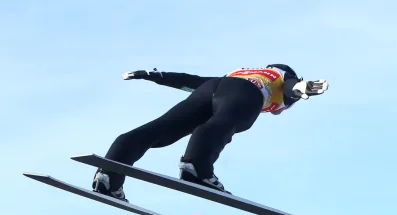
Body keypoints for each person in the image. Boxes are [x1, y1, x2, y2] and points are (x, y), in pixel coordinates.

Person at [92, 65, 328, 201]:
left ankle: (109, 173)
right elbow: (290, 86)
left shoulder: (242, 72)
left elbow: (190, 81)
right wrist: (300, 87)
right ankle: (197, 168)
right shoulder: (277, 77)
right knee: (228, 122)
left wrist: (157, 76)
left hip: (212, 87)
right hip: (245, 93)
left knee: (162, 128)